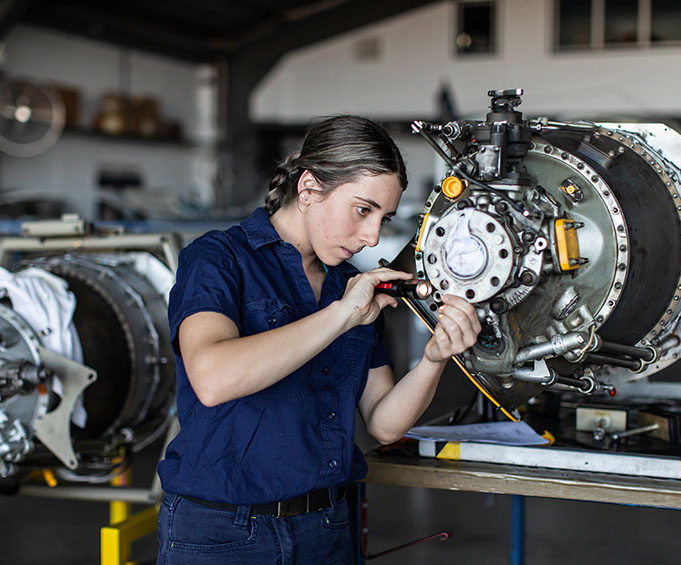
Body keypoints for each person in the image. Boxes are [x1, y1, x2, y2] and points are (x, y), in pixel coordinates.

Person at [156, 115, 481, 564]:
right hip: (223, 532)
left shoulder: (351, 287)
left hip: (326, 529)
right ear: (308, 189)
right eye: (362, 210)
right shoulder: (218, 259)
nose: (372, 237)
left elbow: (384, 423)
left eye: (383, 219)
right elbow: (213, 378)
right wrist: (342, 314)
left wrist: (434, 358)